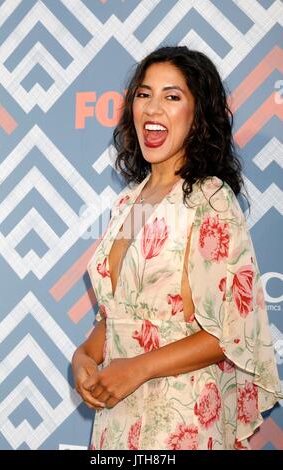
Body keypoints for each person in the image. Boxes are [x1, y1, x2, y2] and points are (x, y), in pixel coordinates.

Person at [71, 46, 283, 450]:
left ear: (198, 113)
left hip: (180, 418)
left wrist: (139, 369)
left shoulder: (210, 199)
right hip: (118, 416)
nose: (153, 108)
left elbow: (230, 334)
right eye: (144, 94)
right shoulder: (130, 203)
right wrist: (83, 356)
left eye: (172, 96)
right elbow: (126, 311)